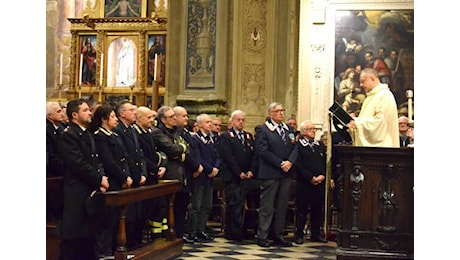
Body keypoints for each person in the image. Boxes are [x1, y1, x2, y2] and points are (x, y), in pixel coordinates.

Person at [57, 98, 110, 260]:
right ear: (74, 115)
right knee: (75, 235)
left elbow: (96, 159)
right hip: (77, 189)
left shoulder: (85, 133)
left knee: (88, 235)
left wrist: (101, 176)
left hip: (90, 188)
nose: (90, 113)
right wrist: (98, 179)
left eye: (89, 110)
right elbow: (78, 163)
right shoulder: (69, 135)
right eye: (85, 110)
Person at [88, 104, 133, 258]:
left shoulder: (114, 135)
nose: (115, 120)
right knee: (107, 220)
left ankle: (115, 249)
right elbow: (108, 161)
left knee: (116, 219)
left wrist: (127, 176)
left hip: (119, 181)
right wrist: (123, 177)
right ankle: (104, 253)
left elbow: (123, 157)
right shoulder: (100, 136)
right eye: (113, 117)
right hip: (111, 181)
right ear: (103, 119)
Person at [254, 102, 298, 248]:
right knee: (267, 206)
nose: (281, 113)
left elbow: (295, 147)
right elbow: (262, 151)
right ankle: (263, 235)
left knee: (281, 205)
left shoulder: (289, 129)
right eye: (277, 111)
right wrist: (280, 163)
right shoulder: (263, 129)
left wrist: (290, 162)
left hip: (286, 173)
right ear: (270, 113)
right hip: (271, 172)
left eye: (282, 110)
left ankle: (278, 234)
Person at [150, 106, 191, 241]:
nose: (174, 118)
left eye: (175, 116)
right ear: (163, 119)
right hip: (166, 175)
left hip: (178, 174)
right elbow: (172, 149)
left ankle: (173, 234)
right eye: (171, 117)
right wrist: (180, 150)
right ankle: (158, 236)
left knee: (176, 208)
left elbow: (186, 148)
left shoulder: (175, 132)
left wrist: (180, 151)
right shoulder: (157, 133)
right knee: (162, 208)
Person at [217, 109, 259, 241]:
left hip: (247, 176)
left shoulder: (248, 136)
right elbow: (228, 157)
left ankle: (244, 229)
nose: (241, 122)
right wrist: (239, 172)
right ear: (232, 121)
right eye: (238, 120)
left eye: (243, 120)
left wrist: (251, 170)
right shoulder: (226, 137)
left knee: (245, 205)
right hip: (233, 176)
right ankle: (233, 232)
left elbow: (254, 155)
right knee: (234, 204)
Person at [113, 100, 148, 249]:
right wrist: (126, 176)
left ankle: (134, 241)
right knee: (126, 215)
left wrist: (143, 173)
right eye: (132, 110)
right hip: (126, 177)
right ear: (122, 114)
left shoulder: (132, 129)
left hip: (136, 176)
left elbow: (139, 154)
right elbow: (123, 155)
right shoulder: (119, 130)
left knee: (136, 213)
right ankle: (123, 244)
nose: (135, 113)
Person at [133, 106, 167, 242]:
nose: (152, 120)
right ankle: (136, 240)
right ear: (139, 118)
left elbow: (154, 153)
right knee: (141, 211)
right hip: (144, 175)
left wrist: (161, 166)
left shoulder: (148, 132)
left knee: (152, 208)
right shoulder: (136, 133)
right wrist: (154, 168)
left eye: (153, 117)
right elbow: (140, 156)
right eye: (149, 117)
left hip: (153, 174)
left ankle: (148, 238)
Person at [294, 120, 328, 244]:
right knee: (302, 210)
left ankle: (315, 233)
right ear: (303, 132)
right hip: (305, 183)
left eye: (314, 129)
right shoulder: (298, 145)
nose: (314, 131)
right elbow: (298, 165)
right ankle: (299, 234)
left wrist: (323, 176)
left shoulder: (319, 145)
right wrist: (310, 178)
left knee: (317, 209)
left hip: (320, 182)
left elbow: (324, 161)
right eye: (310, 129)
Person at [188, 113, 221, 242]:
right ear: (200, 124)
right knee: (196, 205)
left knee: (206, 205)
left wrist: (216, 168)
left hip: (210, 176)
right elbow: (198, 158)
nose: (210, 124)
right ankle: (193, 231)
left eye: (210, 122)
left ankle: (201, 229)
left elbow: (218, 155)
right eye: (207, 122)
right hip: (200, 176)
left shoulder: (211, 139)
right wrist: (209, 169)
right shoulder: (195, 139)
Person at [173, 106, 203, 243]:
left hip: (190, 174)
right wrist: (196, 166)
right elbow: (185, 153)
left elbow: (193, 150)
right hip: (183, 173)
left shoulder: (185, 132)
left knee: (184, 205)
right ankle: (177, 233)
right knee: (178, 206)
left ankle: (180, 231)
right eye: (183, 116)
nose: (186, 118)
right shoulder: (176, 134)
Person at [347, 68, 399, 147]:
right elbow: (366, 119)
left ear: (372, 79)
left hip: (382, 149)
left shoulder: (384, 95)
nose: (361, 85)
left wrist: (357, 124)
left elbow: (380, 123)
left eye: (363, 81)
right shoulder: (370, 97)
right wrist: (354, 122)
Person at [46, 102, 65, 221]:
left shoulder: (61, 128)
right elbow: (51, 154)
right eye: (58, 111)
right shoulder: (46, 130)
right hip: (53, 172)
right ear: (49, 116)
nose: (62, 113)